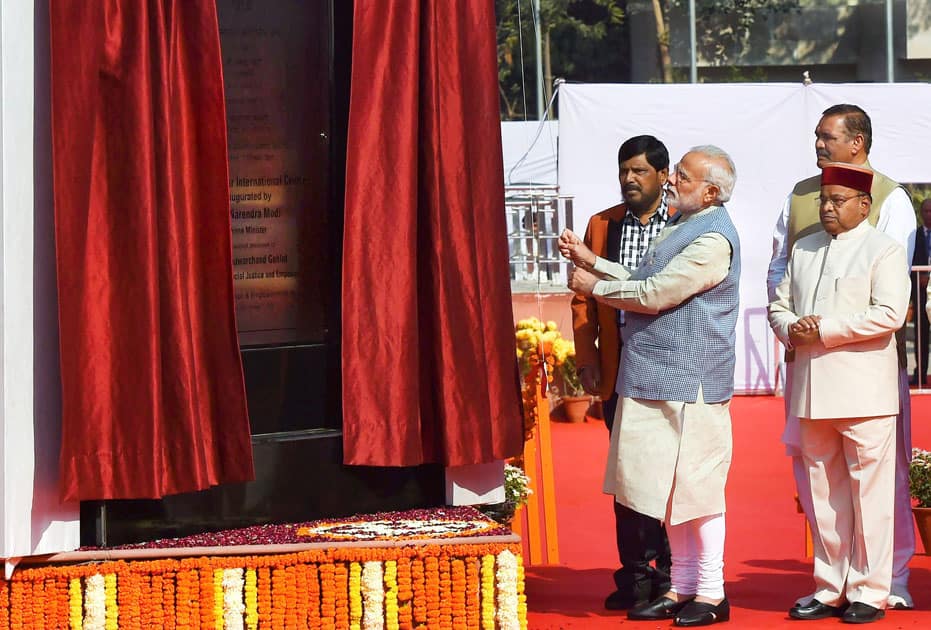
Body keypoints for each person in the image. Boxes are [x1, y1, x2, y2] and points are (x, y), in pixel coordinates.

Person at [560, 145, 739, 627]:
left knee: (698, 492)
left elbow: (655, 294)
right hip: (658, 378)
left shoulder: (712, 239)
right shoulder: (683, 226)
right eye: (676, 173)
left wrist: (593, 285)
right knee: (669, 491)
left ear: (712, 191)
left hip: (692, 383)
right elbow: (644, 278)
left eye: (682, 175)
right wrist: (592, 261)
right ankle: (681, 586)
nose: (673, 181)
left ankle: (712, 591)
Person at [766, 104, 916, 609]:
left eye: (837, 200)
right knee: (823, 498)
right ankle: (829, 588)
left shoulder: (883, 250)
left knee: (870, 497)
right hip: (811, 389)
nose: (827, 207)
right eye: (824, 199)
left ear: (863, 202)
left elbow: (890, 314)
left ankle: (872, 591)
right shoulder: (805, 248)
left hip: (866, 392)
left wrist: (823, 329)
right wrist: (792, 328)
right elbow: (779, 302)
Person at [569, 135, 672, 610]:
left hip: (668, 368)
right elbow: (583, 299)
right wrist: (587, 360)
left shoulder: (683, 225)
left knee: (667, 477)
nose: (630, 179)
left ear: (663, 176)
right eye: (624, 171)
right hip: (617, 368)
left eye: (640, 171)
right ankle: (634, 575)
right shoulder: (601, 224)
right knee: (625, 476)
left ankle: (671, 572)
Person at [911, 199, 931, 385]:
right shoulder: (914, 236)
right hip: (920, 294)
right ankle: (920, 374)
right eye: (925, 210)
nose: (928, 214)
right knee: (921, 335)